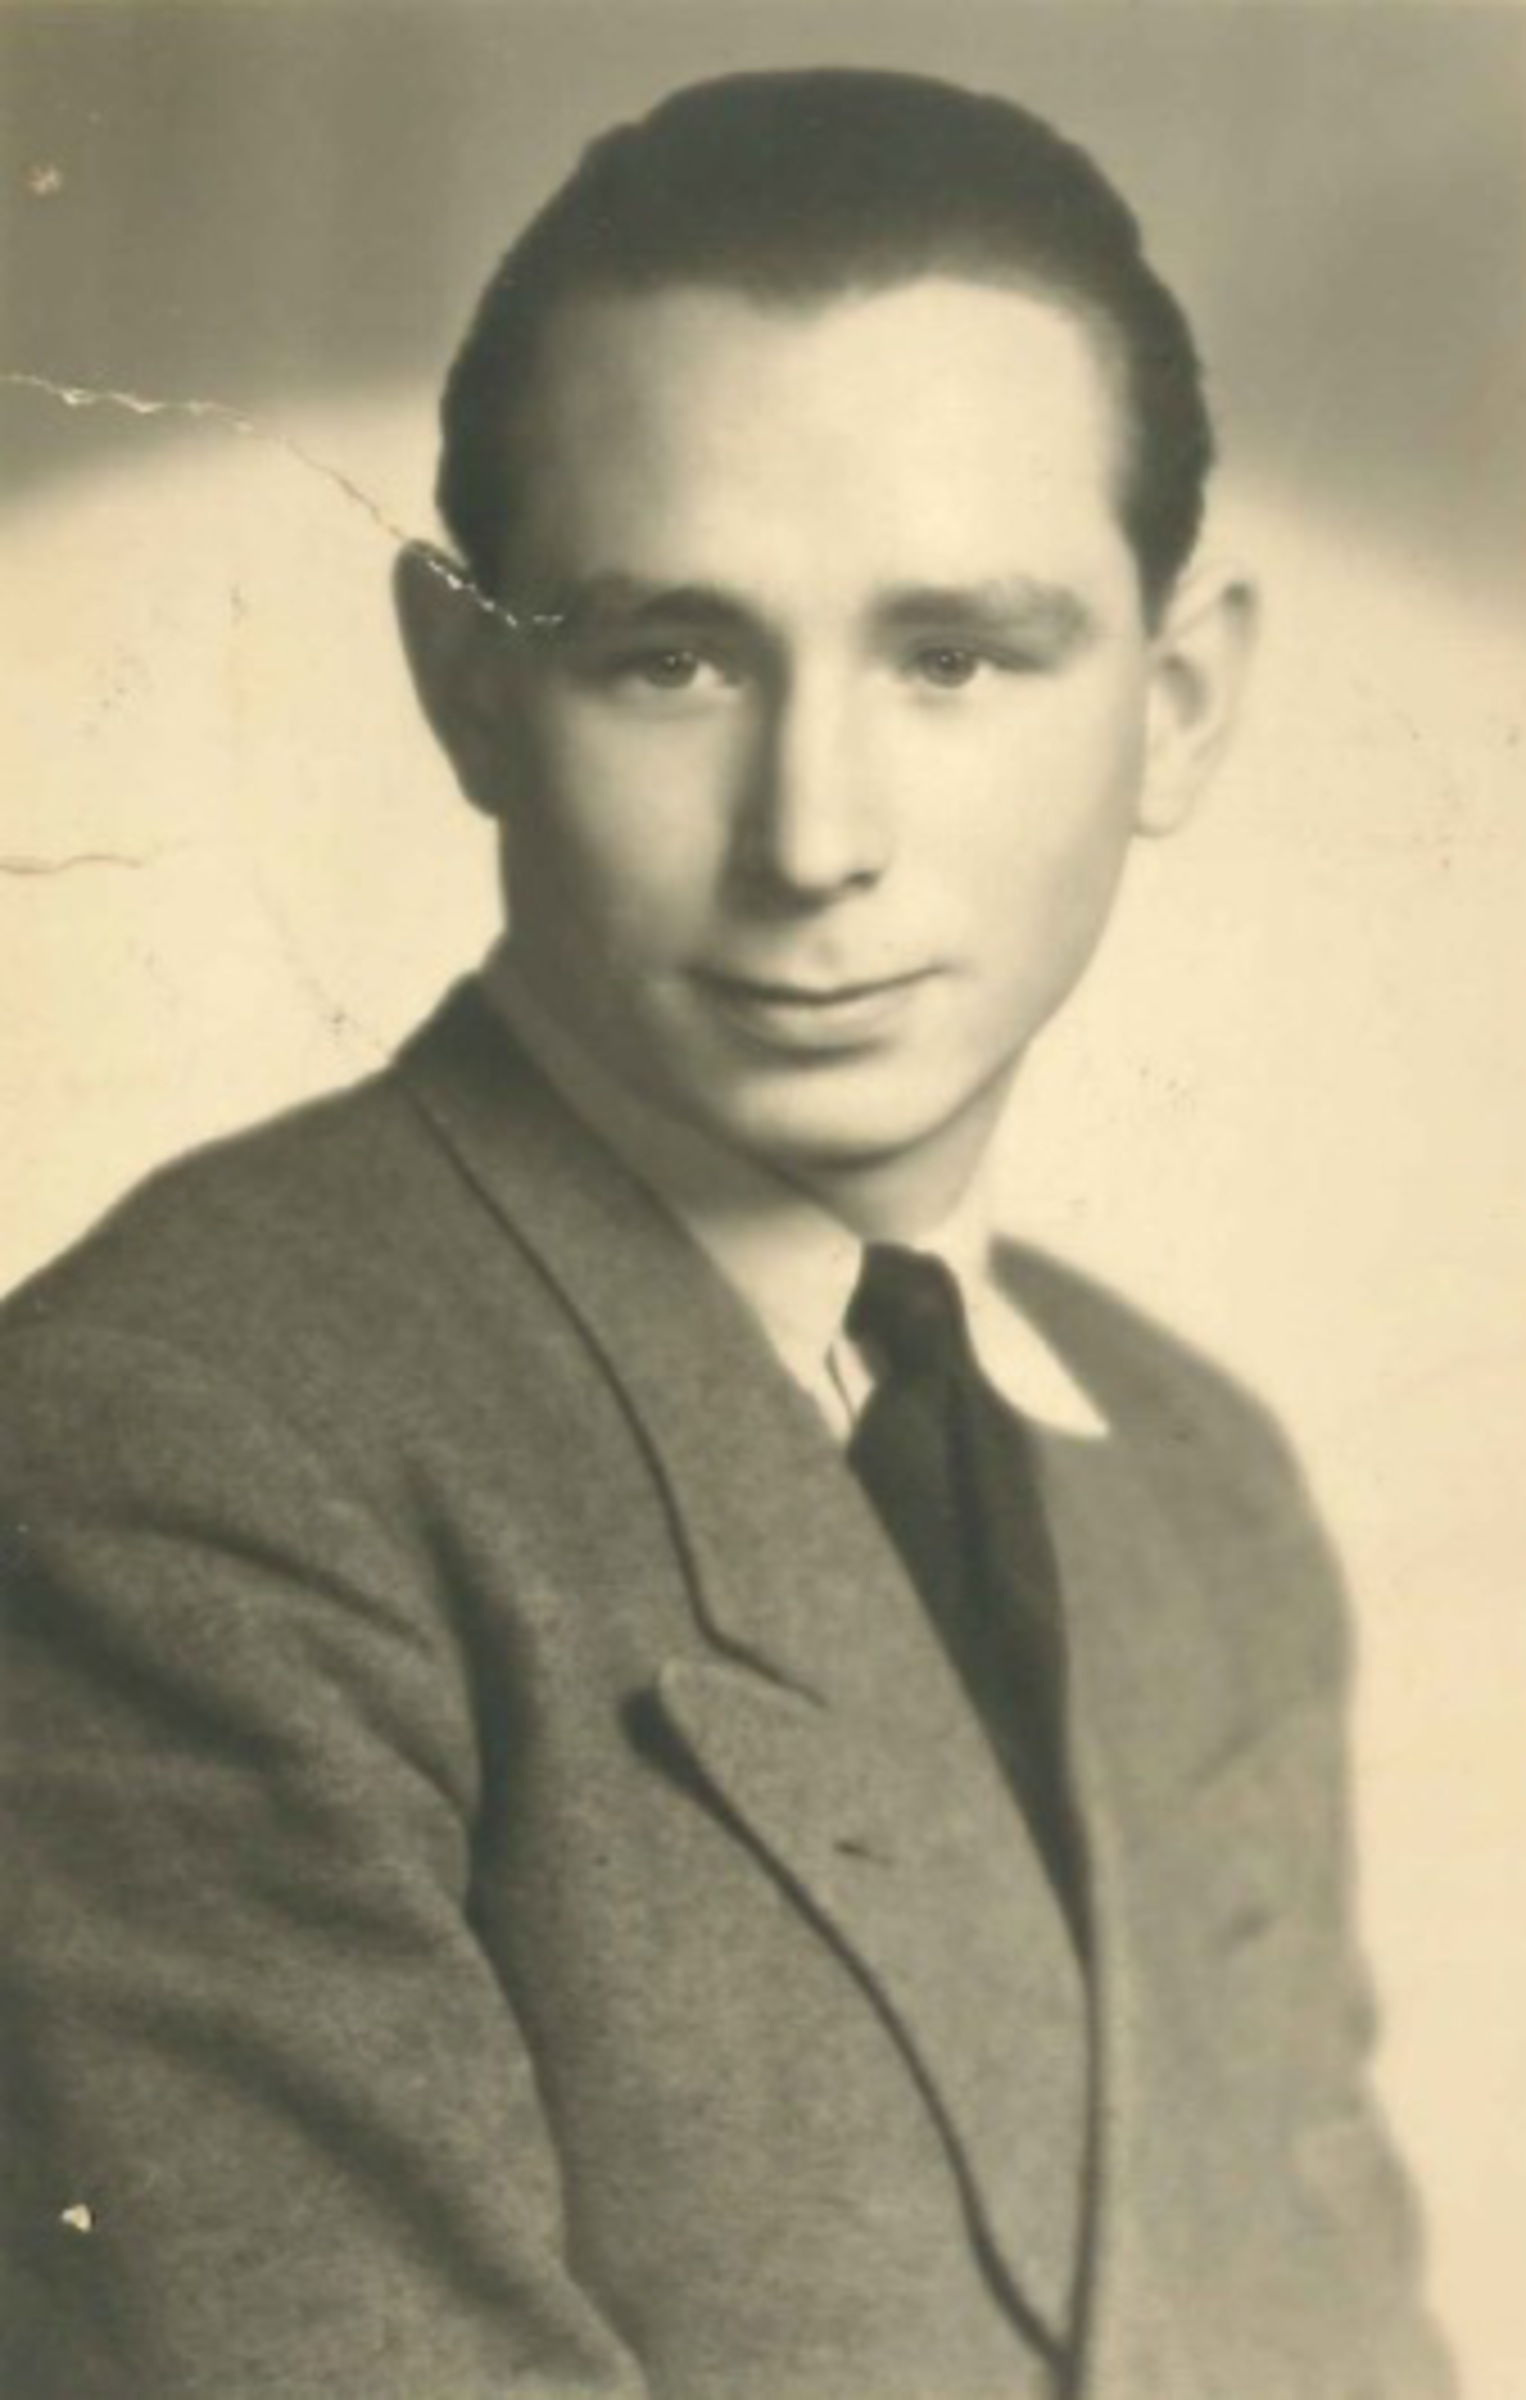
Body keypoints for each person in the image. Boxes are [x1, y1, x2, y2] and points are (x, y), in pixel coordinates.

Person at [0, 67, 1452, 2400]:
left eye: (953, 656)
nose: (813, 837)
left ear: (1173, 708)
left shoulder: (1193, 1485)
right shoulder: (175, 1458)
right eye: (669, 656)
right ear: (468, 687)